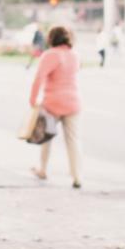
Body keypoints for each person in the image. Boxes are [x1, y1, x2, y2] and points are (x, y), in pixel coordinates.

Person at [28, 25, 82, 188]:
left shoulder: (49, 55)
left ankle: (43, 169)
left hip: (52, 103)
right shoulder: (74, 55)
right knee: (73, 140)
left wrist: (32, 99)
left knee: (46, 137)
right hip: (73, 103)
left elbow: (39, 78)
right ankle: (77, 176)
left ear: (51, 38)